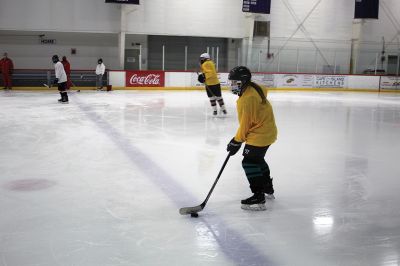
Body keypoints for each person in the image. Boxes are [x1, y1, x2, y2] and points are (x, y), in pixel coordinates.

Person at [226, 66, 277, 211]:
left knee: (248, 162)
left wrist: (236, 141)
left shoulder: (247, 99)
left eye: (235, 82)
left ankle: (258, 196)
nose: (232, 85)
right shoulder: (255, 88)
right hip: (268, 131)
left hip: (259, 134)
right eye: (231, 82)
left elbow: (245, 125)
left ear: (243, 82)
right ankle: (267, 188)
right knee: (258, 159)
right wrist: (237, 139)